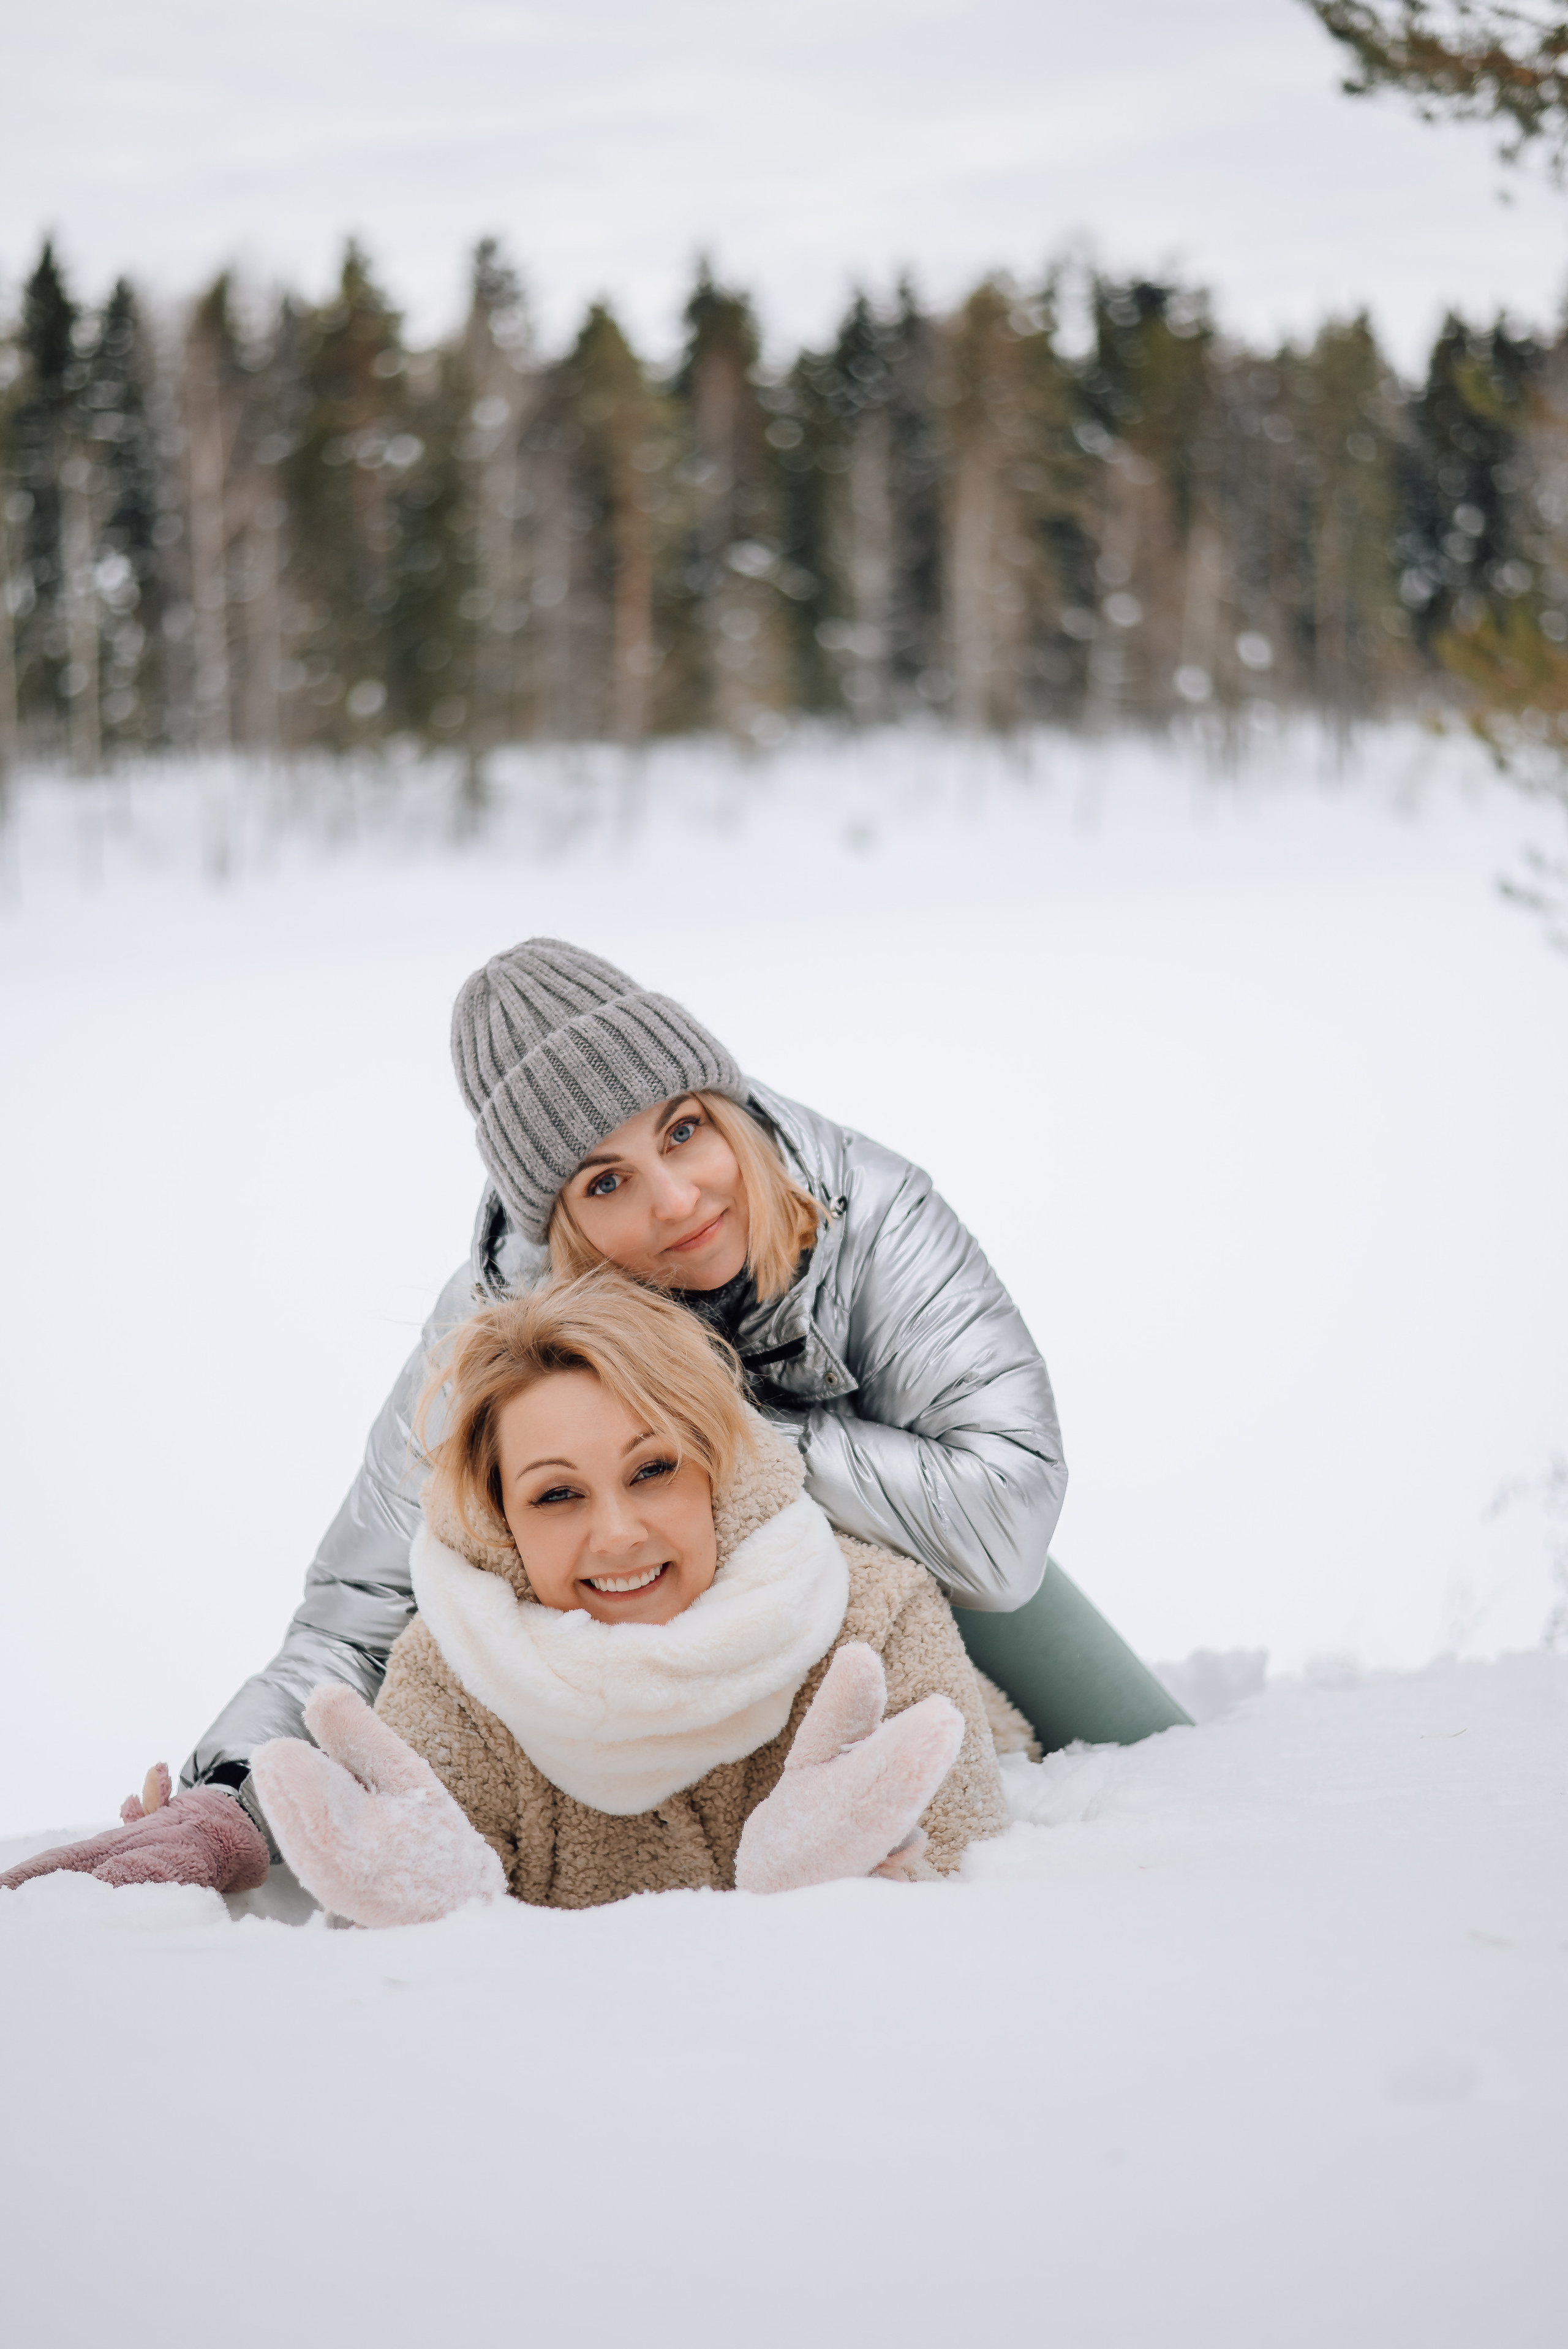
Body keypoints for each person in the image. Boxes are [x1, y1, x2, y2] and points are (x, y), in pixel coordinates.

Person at [187, 936, 1070, 1862]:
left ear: (725, 1106)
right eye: (608, 1181)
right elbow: (357, 1609)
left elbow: (1004, 1532)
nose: (680, 1199)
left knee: (1140, 1744)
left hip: (920, 1585)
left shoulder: (872, 1208)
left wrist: (710, 1415)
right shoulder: (503, 1319)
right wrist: (230, 1796)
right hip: (635, 1655)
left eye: (684, 1129)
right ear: (560, 1222)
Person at [244, 1272, 1023, 1924]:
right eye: (556, 1495)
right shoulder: (455, 1670)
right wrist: (432, 1915)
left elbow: (972, 1883)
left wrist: (835, 1901)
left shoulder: (873, 1614)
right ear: (502, 1520)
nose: (616, 1535)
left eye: (653, 1471)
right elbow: (414, 1965)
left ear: (715, 1468)